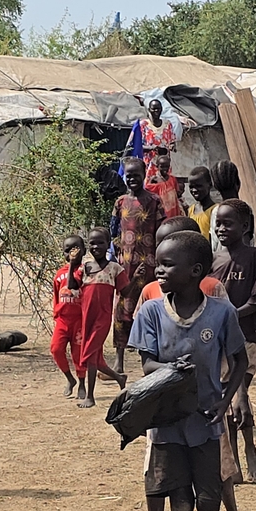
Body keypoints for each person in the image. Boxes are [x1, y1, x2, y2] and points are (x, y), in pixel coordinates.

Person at [129, 230, 249, 511]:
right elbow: (147, 364)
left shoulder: (221, 313)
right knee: (179, 503)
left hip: (206, 423)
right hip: (166, 423)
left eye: (167, 265)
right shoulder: (150, 312)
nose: (158, 270)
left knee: (209, 500)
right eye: (157, 263)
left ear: (196, 271)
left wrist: (226, 401)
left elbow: (239, 362)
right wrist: (176, 371)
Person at [212, 200, 256, 485]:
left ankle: (249, 446)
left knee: (240, 394)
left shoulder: (255, 256)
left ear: (245, 227)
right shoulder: (214, 261)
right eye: (218, 224)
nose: (221, 229)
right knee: (229, 398)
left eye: (228, 223)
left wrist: (230, 315)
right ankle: (233, 458)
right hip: (220, 340)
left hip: (246, 335)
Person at [112, 157, 164, 375]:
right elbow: (114, 231)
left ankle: (152, 358)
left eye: (136, 174)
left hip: (148, 267)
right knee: (120, 311)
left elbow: (161, 232)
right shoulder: (120, 202)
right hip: (125, 267)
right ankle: (119, 359)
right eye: (129, 175)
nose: (132, 178)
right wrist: (115, 259)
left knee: (149, 311)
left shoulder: (154, 201)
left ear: (144, 175)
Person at [67, 227, 129, 407]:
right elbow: (72, 285)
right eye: (92, 243)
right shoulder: (85, 268)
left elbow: (125, 291)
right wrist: (72, 263)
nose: (96, 247)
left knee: (89, 354)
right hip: (87, 318)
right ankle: (119, 377)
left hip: (102, 319)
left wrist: (136, 278)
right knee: (93, 358)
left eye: (100, 242)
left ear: (108, 244)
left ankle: (90, 396)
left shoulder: (115, 269)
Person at [52, 234, 87, 400]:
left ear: (83, 251)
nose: (71, 253)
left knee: (78, 354)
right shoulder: (59, 274)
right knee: (56, 349)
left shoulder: (85, 271)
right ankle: (69, 378)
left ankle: (81, 382)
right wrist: (56, 313)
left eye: (75, 249)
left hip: (78, 320)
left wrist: (74, 264)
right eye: (67, 250)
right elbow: (56, 295)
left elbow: (74, 284)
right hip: (62, 319)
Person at [127, 98, 178, 177]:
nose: (156, 111)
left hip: (164, 166)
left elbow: (172, 143)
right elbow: (136, 146)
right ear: (149, 110)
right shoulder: (143, 125)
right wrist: (153, 148)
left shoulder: (167, 124)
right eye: (154, 109)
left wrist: (171, 147)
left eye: (158, 109)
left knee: (164, 187)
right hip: (148, 166)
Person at [145, 153, 184, 219]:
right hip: (163, 212)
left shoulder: (172, 179)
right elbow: (148, 193)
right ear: (157, 167)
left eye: (167, 166)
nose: (165, 169)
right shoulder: (155, 180)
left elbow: (177, 193)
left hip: (174, 209)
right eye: (162, 166)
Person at [186, 166, 216, 243]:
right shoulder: (191, 210)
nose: (194, 190)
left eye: (199, 186)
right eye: (191, 187)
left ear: (210, 185)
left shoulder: (215, 210)